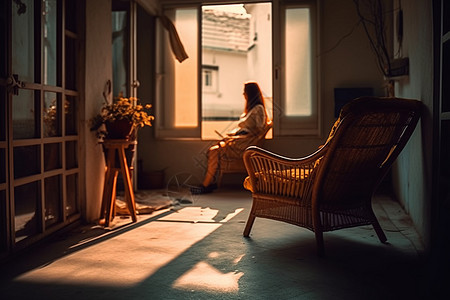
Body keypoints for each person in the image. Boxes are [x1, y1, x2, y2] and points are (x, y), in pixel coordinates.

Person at [191, 81, 270, 194]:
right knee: (212, 151)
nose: (243, 95)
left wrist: (239, 137)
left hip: (243, 144)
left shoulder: (258, 109)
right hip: (239, 140)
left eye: (245, 92)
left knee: (214, 151)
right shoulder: (252, 110)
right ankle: (209, 182)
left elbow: (258, 130)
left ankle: (206, 185)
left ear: (250, 94)